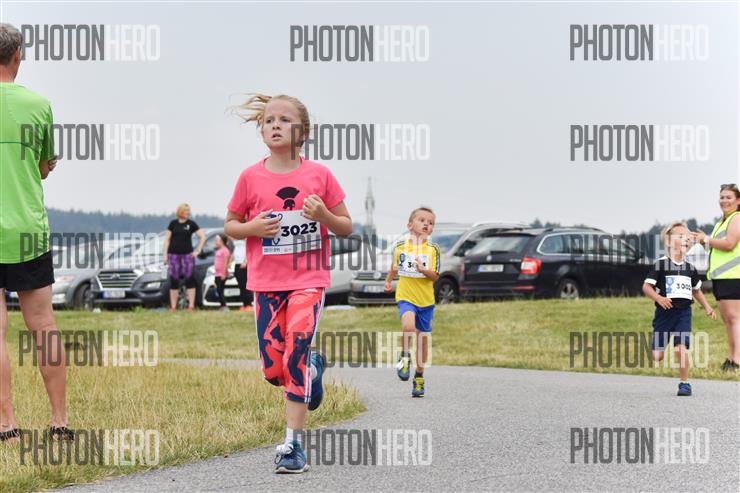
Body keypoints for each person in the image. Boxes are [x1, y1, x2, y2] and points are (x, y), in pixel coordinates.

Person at [224, 94, 352, 473]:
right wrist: (253, 227)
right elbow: (231, 226)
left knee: (294, 352)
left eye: (284, 119)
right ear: (261, 130)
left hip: (308, 281)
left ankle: (293, 445)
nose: (275, 125)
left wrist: (324, 214)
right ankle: (313, 366)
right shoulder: (250, 177)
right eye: (268, 120)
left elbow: (346, 226)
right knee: (273, 370)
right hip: (266, 284)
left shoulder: (319, 175)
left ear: (303, 132)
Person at [0, 23, 73, 443]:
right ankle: (59, 421)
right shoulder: (39, 105)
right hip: (27, 228)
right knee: (43, 325)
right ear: (18, 56)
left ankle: (6, 425)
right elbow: (43, 168)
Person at [643, 223, 716, 396]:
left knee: (680, 348)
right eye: (681, 237)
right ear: (669, 242)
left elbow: (696, 291)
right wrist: (659, 298)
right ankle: (660, 345)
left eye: (688, 238)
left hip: (683, 314)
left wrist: (707, 307)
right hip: (664, 315)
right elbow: (646, 287)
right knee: (656, 356)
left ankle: (684, 383)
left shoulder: (690, 268)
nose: (686, 240)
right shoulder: (661, 265)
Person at [384, 207, 441, 398]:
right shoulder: (401, 247)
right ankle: (404, 356)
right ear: (410, 225)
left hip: (425, 300)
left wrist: (424, 270)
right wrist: (388, 281)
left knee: (422, 341)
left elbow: (435, 276)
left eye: (430, 223)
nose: (426, 224)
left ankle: (419, 376)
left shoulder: (433, 250)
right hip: (406, 296)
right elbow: (394, 266)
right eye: (422, 220)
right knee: (408, 326)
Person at [694, 184, 740, 371]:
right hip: (721, 277)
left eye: (729, 197)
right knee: (728, 320)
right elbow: (715, 247)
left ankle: (737, 360)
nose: (724, 200)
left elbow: (729, 244)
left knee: (734, 319)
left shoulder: (737, 218)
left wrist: (706, 239)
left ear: (738, 201)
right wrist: (702, 241)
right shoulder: (721, 222)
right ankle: (732, 357)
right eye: (722, 197)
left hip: (733, 276)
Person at [162, 203, 205, 311]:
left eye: (189, 211)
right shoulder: (173, 224)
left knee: (189, 279)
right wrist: (165, 254)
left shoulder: (191, 224)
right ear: (180, 211)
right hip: (173, 255)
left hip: (187, 256)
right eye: (186, 210)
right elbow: (167, 240)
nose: (188, 212)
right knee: (174, 280)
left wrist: (197, 251)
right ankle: (173, 306)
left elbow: (202, 237)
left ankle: (191, 306)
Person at [232, 238, 253, 311]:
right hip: (237, 263)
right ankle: (244, 303)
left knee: (245, 284)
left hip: (244, 263)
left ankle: (249, 304)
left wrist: (245, 261)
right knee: (240, 285)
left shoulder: (247, 238)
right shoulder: (237, 237)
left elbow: (250, 249)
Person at [213, 233, 232, 312]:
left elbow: (226, 263)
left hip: (222, 274)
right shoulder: (218, 250)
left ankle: (224, 306)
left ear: (222, 241)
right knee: (218, 290)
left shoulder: (225, 250)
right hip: (217, 274)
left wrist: (224, 273)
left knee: (220, 290)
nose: (216, 242)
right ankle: (221, 305)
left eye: (218, 240)